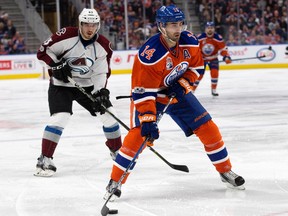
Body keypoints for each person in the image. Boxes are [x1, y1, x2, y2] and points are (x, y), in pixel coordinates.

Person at [104, 5, 245, 201]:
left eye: (180, 24)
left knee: (209, 128)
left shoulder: (190, 41)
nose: (178, 29)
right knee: (139, 137)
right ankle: (115, 180)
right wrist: (148, 120)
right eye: (172, 25)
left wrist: (183, 83)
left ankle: (225, 171)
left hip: (177, 92)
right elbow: (142, 91)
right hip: (151, 96)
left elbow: (197, 66)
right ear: (161, 26)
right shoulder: (150, 54)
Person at [34, 8, 122, 177]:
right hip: (61, 85)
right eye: (87, 24)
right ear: (80, 24)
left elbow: (100, 72)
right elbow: (43, 51)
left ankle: (118, 152)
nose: (90, 29)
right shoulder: (66, 35)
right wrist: (56, 65)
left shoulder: (103, 45)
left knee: (109, 113)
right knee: (60, 117)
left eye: (94, 25)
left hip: (87, 86)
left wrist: (100, 92)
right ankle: (44, 159)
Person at [192, 21, 232, 96]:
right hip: (202, 59)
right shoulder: (200, 37)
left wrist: (226, 57)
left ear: (214, 29)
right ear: (205, 29)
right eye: (208, 28)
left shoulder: (218, 38)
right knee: (198, 75)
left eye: (211, 28)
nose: (210, 30)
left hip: (213, 58)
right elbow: (194, 48)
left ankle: (214, 90)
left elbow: (223, 49)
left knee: (214, 74)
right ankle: (192, 90)